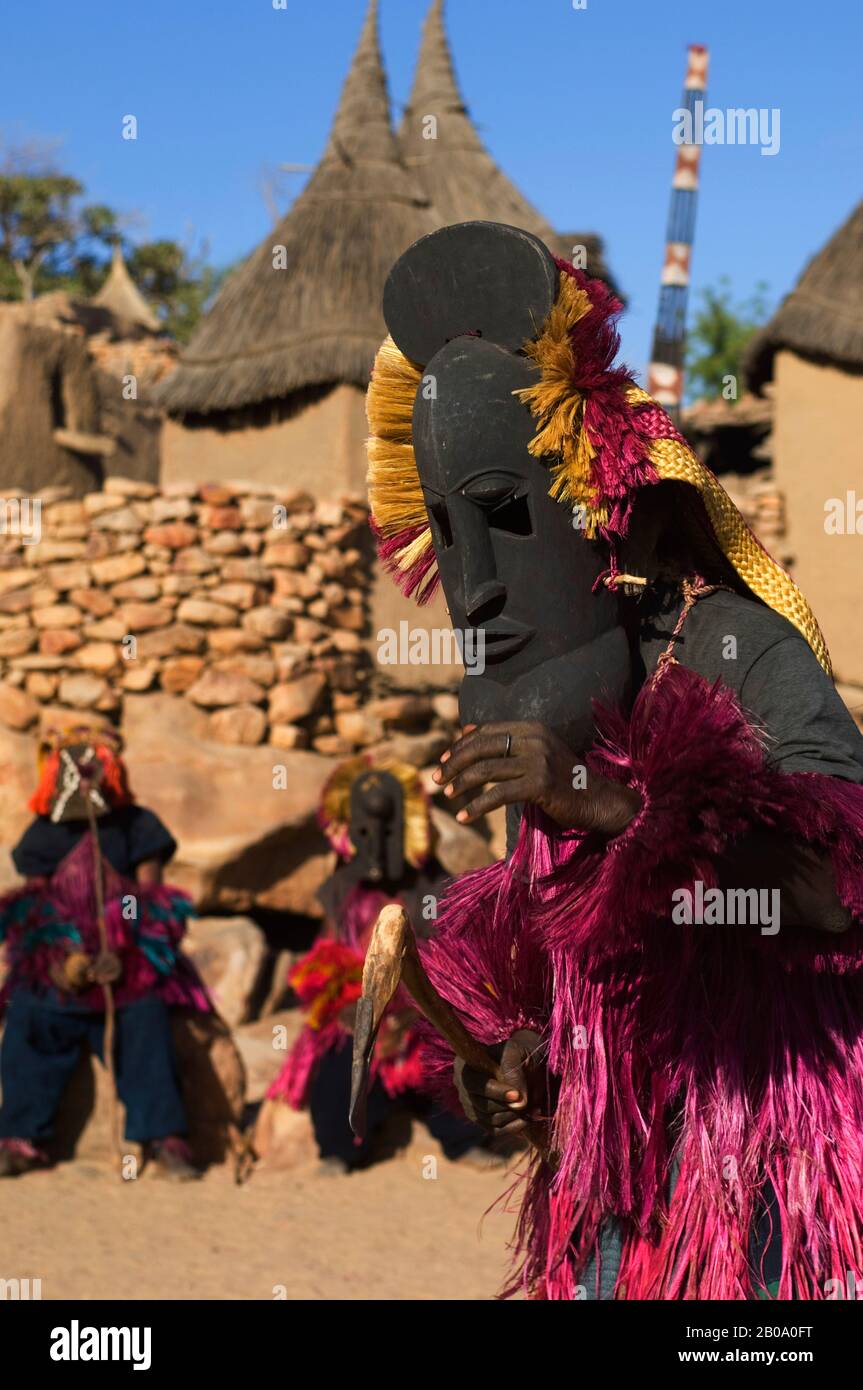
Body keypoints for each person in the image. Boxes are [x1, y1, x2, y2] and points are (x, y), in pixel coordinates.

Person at [366, 220, 863, 1299]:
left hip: (762, 1179)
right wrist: (520, 1049)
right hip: (608, 1186)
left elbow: (839, 893)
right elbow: (566, 945)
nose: (475, 585)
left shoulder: (734, 648)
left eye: (504, 515)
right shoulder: (549, 707)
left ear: (607, 516)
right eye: (449, 534)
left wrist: (607, 802)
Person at [0, 718, 211, 1180]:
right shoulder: (44, 834)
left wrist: (126, 951)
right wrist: (60, 960)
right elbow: (37, 909)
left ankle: (163, 1138)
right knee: (29, 1020)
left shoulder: (138, 827)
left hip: (128, 970)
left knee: (147, 1023)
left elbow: (146, 904)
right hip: (63, 974)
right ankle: (22, 1137)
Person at [265, 753, 490, 1173]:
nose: (376, 839)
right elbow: (324, 963)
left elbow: (458, 964)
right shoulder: (342, 889)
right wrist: (346, 1008)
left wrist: (414, 1013)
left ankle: (465, 1142)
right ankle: (340, 1150)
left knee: (450, 1060)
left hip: (424, 1019)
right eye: (365, 828)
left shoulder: (432, 889)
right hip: (362, 1020)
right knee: (337, 1061)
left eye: (387, 826)